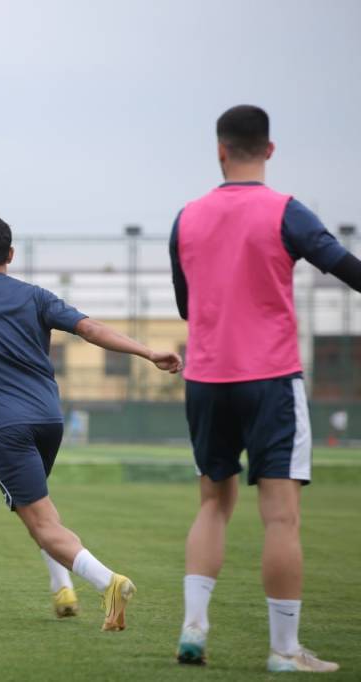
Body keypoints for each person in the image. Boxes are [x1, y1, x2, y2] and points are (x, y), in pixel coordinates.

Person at [0, 214, 182, 630]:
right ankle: (62, 588)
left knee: (40, 522)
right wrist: (148, 352)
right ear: (10, 254)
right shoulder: (35, 297)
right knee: (39, 511)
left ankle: (109, 583)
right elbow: (90, 329)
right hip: (48, 420)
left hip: (1, 426)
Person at [170, 105, 358, 672]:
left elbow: (187, 306)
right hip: (270, 379)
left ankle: (194, 627)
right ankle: (283, 650)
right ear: (269, 149)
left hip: (206, 380)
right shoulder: (286, 211)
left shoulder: (187, 217)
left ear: (220, 150)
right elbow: (344, 266)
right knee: (280, 516)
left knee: (212, 503)